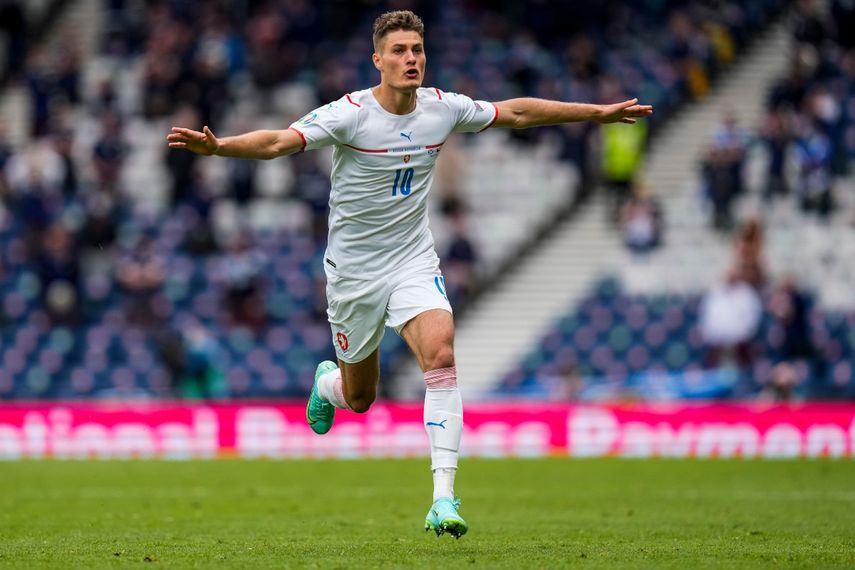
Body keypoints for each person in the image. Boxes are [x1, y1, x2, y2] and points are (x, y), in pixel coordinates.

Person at [166, 10, 652, 538]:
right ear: (378, 60)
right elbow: (279, 142)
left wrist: (596, 113)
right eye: (399, 50)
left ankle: (443, 497)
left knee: (441, 356)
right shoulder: (350, 115)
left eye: (417, 49)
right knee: (360, 398)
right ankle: (326, 384)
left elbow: (515, 112)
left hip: (412, 261)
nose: (411, 58)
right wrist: (220, 147)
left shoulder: (442, 108)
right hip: (354, 276)